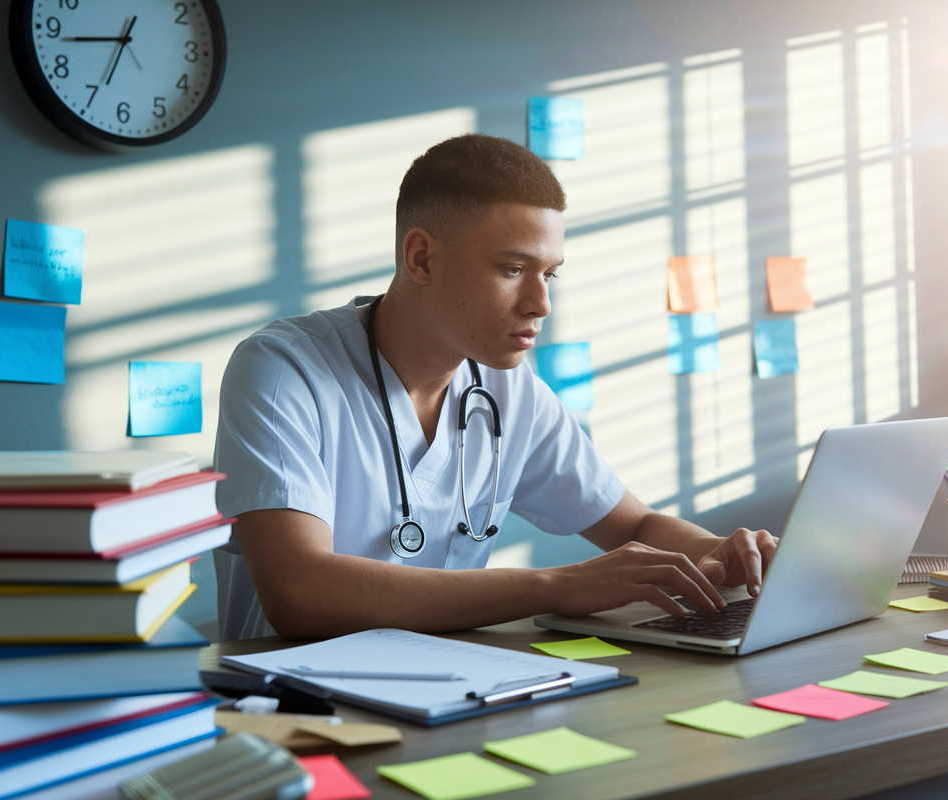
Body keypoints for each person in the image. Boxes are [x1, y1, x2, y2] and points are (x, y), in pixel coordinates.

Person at [212, 133, 776, 641]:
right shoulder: (282, 370)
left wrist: (724, 553)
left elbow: (636, 525)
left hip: (458, 687)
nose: (541, 303)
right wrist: (555, 586)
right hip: (299, 706)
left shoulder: (509, 389)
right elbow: (300, 594)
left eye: (549, 274)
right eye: (513, 269)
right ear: (422, 257)